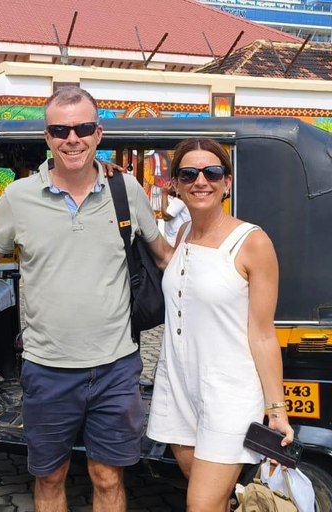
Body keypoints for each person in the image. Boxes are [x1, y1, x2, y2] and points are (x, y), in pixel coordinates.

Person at [0, 86, 173, 511]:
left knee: (107, 478)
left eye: (83, 128)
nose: (72, 138)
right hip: (47, 368)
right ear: (47, 138)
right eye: (60, 130)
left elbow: (166, 257)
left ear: (98, 133)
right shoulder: (17, 198)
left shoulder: (126, 189)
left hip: (115, 367)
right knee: (49, 476)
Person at [146, 138, 293, 511]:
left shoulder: (252, 242)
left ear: (227, 182)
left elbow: (262, 334)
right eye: (188, 173)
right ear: (175, 184)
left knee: (201, 505)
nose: (201, 181)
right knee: (216, 501)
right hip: (177, 387)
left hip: (229, 394)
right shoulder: (181, 235)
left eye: (212, 172)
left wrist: (277, 411)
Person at [161, 181, 190, 246]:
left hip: (174, 242)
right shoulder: (177, 198)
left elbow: (166, 216)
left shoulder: (181, 199)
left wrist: (164, 194)